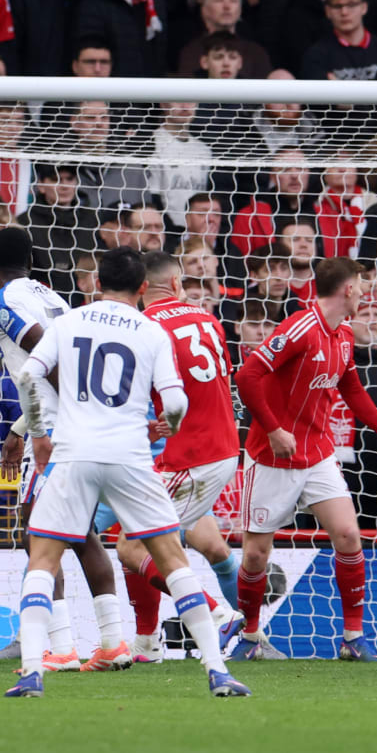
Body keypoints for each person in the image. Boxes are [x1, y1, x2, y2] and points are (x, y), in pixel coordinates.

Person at [8, 246, 246, 698]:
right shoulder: (150, 330)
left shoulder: (67, 322)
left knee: (43, 559)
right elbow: (175, 401)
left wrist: (38, 434)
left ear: (97, 284)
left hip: (74, 455)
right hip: (130, 458)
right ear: (142, 287)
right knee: (172, 559)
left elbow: (28, 376)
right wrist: (168, 426)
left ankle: (32, 671)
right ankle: (217, 670)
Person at [230, 256, 377, 662]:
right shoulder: (299, 327)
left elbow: (351, 388)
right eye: (362, 285)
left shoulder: (344, 333)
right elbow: (247, 375)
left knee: (349, 536)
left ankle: (352, 639)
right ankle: (250, 638)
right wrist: (273, 429)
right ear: (349, 288)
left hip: (318, 454)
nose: (366, 293)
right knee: (255, 555)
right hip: (272, 456)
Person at [0, 228, 131, 674]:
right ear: (32, 259)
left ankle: (62, 647)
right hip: (72, 423)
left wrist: (48, 424)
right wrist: (19, 428)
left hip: (53, 429)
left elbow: (43, 358)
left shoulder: (2, 301)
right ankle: (112, 642)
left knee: (38, 533)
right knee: (80, 531)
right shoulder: (56, 299)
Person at [123, 252, 249, 662]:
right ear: (177, 284)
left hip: (190, 456)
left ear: (141, 288)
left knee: (131, 548)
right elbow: (224, 384)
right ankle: (147, 642)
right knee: (171, 543)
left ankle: (218, 615)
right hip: (217, 447)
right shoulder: (208, 320)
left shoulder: (145, 327)